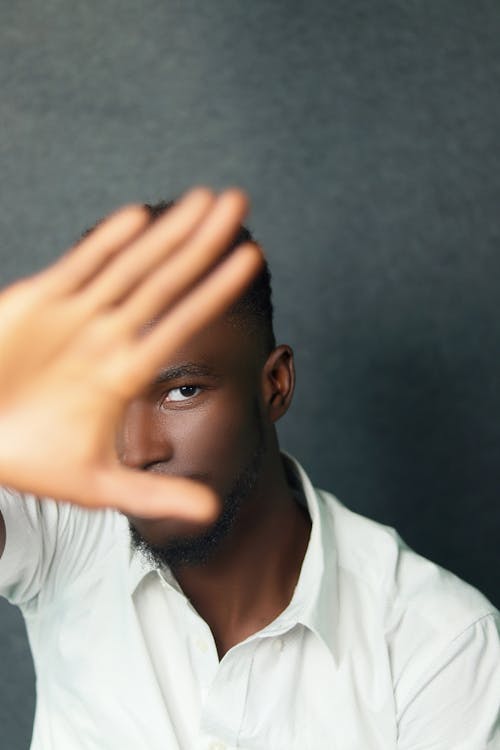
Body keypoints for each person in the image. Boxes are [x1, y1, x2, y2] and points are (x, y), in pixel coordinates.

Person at [0, 187, 498, 750]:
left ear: (275, 384)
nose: (136, 451)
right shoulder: (66, 523)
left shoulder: (441, 646)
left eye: (183, 391)